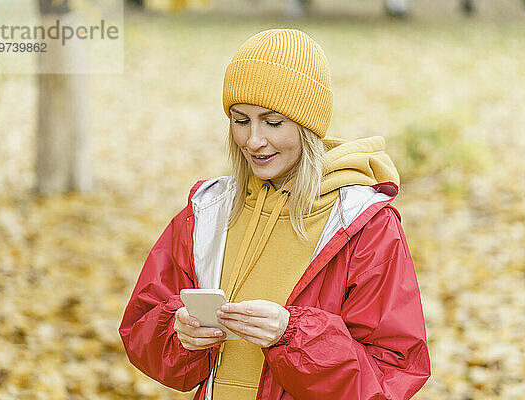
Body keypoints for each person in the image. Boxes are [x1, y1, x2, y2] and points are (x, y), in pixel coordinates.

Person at [119, 28, 431, 400]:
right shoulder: (206, 212)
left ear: (307, 125)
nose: (253, 140)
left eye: (273, 122)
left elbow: (392, 372)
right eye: (240, 120)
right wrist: (179, 332)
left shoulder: (364, 225)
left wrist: (293, 335)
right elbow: (141, 326)